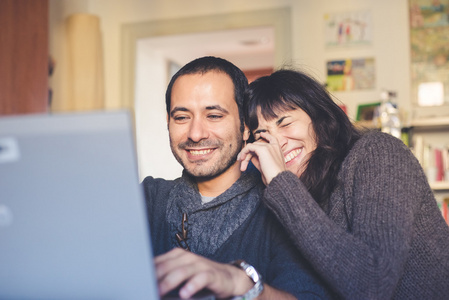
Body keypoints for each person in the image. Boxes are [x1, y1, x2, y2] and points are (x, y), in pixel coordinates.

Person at [238, 69, 449, 299]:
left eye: (285, 123)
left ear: (318, 117)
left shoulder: (377, 153)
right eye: (263, 135)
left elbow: (373, 285)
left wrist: (281, 184)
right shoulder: (292, 189)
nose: (276, 144)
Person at [142, 57, 331, 299]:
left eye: (214, 116)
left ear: (245, 127)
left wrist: (240, 283)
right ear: (168, 123)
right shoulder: (145, 199)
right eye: (181, 117)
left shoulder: (286, 209)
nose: (196, 133)